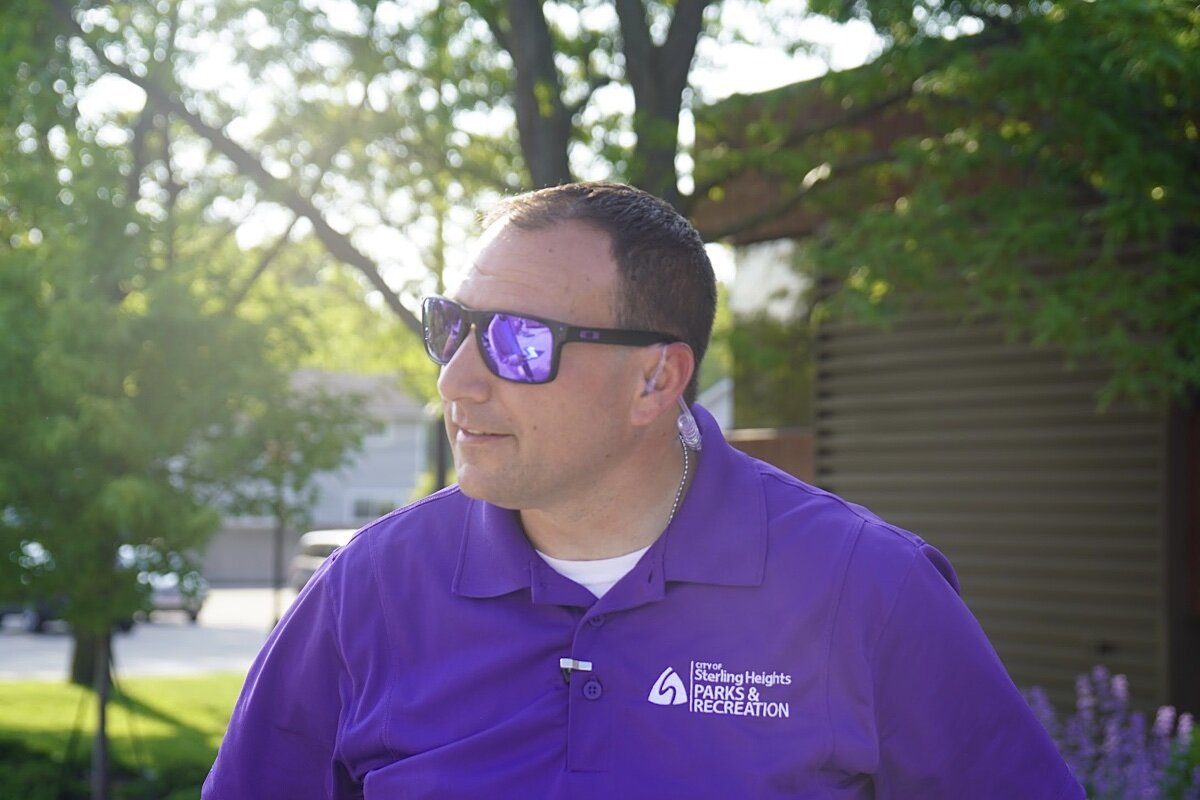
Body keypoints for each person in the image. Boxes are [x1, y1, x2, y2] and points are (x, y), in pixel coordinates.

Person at [204, 182, 1083, 799]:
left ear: (657, 382)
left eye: (518, 342)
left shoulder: (868, 590)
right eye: (452, 327)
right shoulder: (369, 590)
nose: (459, 381)